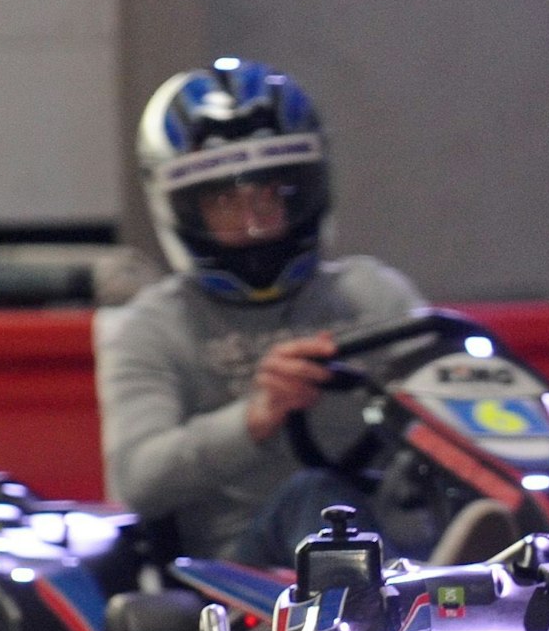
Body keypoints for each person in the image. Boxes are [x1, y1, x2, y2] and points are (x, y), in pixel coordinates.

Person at [99, 58, 425, 563]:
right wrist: (255, 415)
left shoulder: (373, 294)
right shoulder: (154, 326)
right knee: (314, 497)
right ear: (183, 209)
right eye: (226, 202)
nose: (254, 224)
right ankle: (373, 602)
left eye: (272, 195)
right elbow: (137, 481)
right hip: (241, 579)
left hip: (401, 546)